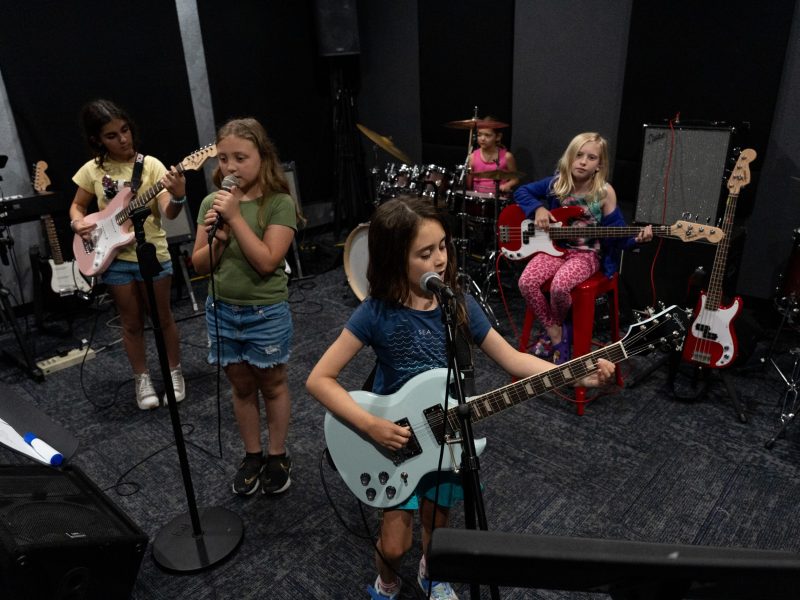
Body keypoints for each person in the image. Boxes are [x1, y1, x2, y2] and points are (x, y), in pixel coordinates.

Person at [306, 196, 615, 600]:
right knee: (395, 545)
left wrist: (576, 373)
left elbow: (514, 359)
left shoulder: (459, 305)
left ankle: (433, 574)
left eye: (443, 246)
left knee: (440, 525)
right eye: (425, 252)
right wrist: (371, 426)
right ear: (394, 257)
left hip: (447, 437)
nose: (439, 259)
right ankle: (386, 580)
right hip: (393, 440)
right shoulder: (375, 312)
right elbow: (319, 379)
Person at [191, 117, 301, 497]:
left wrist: (236, 219)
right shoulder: (211, 202)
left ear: (262, 156)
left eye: (241, 157)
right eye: (223, 159)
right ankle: (252, 454)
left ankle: (277, 454)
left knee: (271, 385)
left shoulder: (279, 203)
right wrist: (219, 237)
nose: (230, 167)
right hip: (222, 311)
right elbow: (200, 265)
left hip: (263, 313)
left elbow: (268, 261)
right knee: (240, 387)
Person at [69, 99, 187, 410]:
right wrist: (78, 222)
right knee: (131, 323)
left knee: (162, 319)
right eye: (112, 135)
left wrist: (178, 196)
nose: (123, 139)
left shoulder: (151, 167)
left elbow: (169, 213)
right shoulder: (92, 170)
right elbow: (78, 206)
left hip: (153, 254)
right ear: (97, 140)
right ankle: (142, 378)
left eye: (125, 130)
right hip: (114, 259)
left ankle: (174, 373)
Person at [513, 132, 653, 364]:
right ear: (569, 157)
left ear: (599, 165)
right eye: (578, 155)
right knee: (525, 282)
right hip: (555, 250)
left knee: (559, 287)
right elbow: (522, 191)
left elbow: (617, 233)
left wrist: (636, 239)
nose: (583, 161)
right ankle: (555, 331)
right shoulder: (556, 184)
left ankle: (556, 330)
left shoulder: (604, 192)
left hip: (587, 255)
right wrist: (537, 209)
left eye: (591, 157)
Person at [467, 117, 519, 195]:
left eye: (487, 135)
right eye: (479, 135)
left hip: (498, 200)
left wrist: (507, 185)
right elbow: (468, 184)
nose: (482, 138)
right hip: (477, 200)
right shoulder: (472, 157)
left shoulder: (507, 157)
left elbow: (515, 179)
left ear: (498, 137)